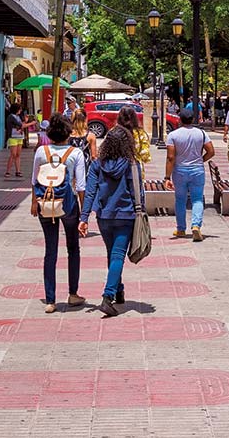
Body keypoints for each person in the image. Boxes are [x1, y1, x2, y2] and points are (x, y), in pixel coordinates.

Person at [79, 121, 139, 317]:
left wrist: (84, 217)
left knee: (112, 253)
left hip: (104, 216)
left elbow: (90, 192)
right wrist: (142, 213)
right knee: (118, 255)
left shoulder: (97, 165)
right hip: (125, 214)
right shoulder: (131, 164)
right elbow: (137, 192)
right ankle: (108, 296)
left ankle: (119, 290)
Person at [31, 114, 86, 313]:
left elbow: (34, 180)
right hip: (68, 204)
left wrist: (33, 203)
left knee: (50, 250)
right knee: (73, 248)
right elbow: (81, 185)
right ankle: (73, 293)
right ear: (68, 132)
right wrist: (84, 214)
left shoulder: (41, 151)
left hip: (45, 202)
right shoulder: (75, 153)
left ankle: (50, 299)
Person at [165, 106, 214, 242]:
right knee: (197, 199)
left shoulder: (173, 135)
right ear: (193, 119)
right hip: (197, 170)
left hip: (179, 171)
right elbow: (211, 151)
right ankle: (196, 226)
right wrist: (200, 160)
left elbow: (170, 157)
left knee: (180, 200)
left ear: (180, 119)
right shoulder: (201, 133)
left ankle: (181, 229)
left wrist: (167, 177)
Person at [4, 99, 25, 179]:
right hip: (13, 137)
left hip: (19, 137)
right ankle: (8, 171)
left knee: (18, 155)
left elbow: (21, 125)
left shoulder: (18, 116)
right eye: (20, 109)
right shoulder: (11, 117)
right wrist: (30, 123)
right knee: (13, 154)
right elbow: (21, 125)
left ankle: (18, 171)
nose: (21, 110)